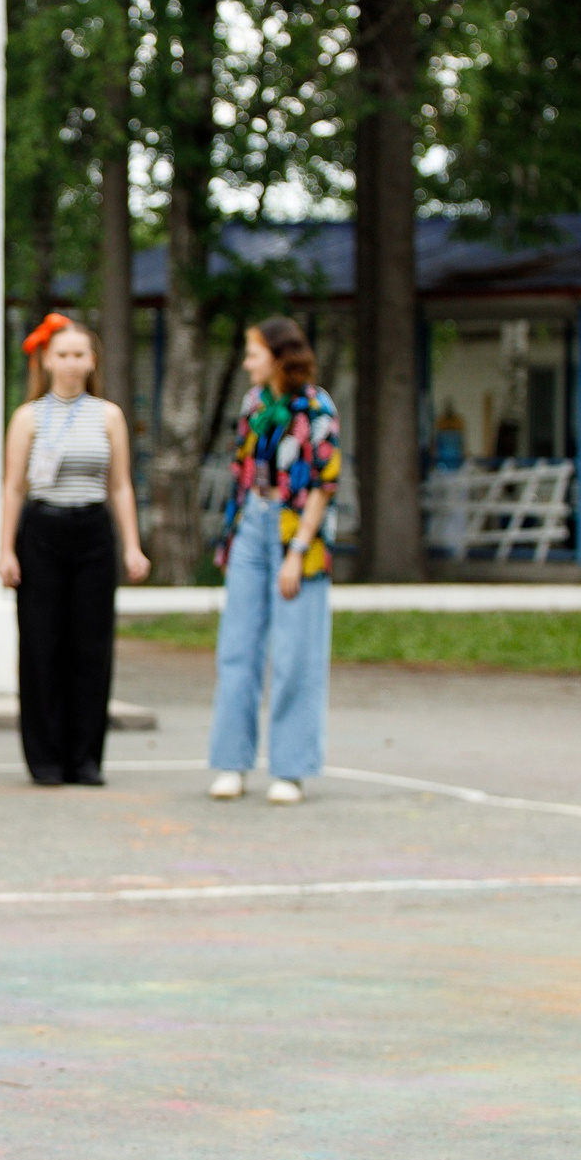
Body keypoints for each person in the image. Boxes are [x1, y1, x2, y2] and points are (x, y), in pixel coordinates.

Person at [0, 315, 148, 786]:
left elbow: (120, 485)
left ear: (92, 361)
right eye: (62, 354)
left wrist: (132, 545)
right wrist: (6, 550)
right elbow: (14, 487)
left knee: (91, 646)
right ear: (46, 360)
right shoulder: (28, 417)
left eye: (80, 354)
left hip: (92, 533)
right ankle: (45, 759)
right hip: (42, 531)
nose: (71, 362)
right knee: (42, 644)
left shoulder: (108, 415)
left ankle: (85, 757)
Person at [207, 317, 340, 806]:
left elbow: (325, 483)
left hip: (296, 530)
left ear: (279, 356)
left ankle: (291, 768)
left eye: (253, 353)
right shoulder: (254, 405)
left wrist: (298, 551)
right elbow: (242, 473)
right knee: (237, 648)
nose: (247, 362)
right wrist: (233, 539)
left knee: (295, 654)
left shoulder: (317, 406)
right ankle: (231, 762)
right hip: (251, 524)